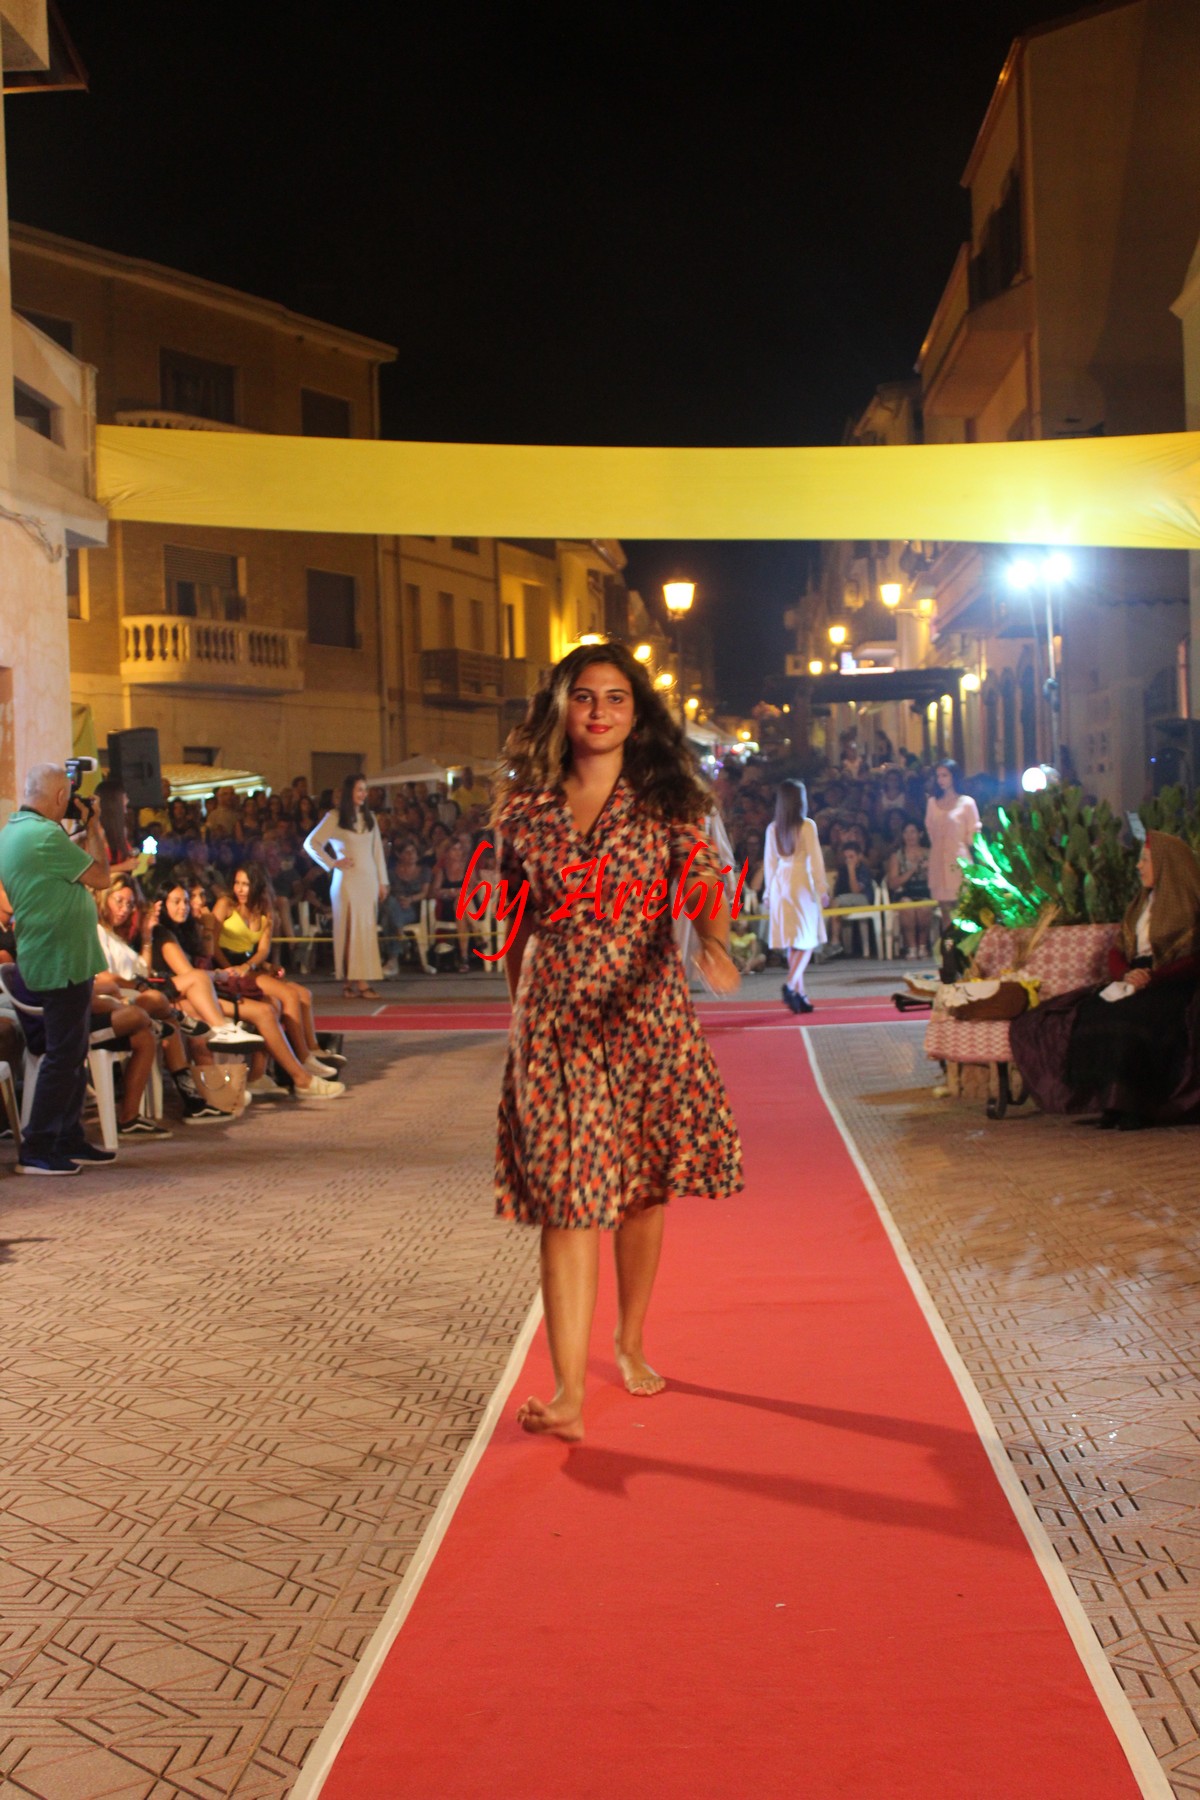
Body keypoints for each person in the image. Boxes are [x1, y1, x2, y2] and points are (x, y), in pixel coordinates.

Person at [494, 643, 743, 1442]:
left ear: (637, 714)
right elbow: (514, 918)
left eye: (615, 699)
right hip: (555, 1021)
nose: (598, 712)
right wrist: (517, 1007)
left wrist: (713, 942)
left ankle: (629, 1339)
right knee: (566, 1201)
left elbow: (702, 879)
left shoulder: (669, 799)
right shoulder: (524, 810)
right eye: (584, 697)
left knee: (639, 1188)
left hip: (645, 1010)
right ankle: (568, 1391)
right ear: (560, 707)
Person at [1011, 831, 1200, 1129]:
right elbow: (1117, 950)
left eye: (1145, 860)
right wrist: (1125, 974)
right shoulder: (1139, 905)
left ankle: (1137, 1106)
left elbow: (1193, 959)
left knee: (1134, 1021)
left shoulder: (1188, 906)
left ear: (1165, 863)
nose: (1138, 866)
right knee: (1091, 1014)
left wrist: (1153, 977)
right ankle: (1110, 1103)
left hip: (1172, 984)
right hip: (1134, 978)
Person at [0, 763, 113, 1174]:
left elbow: (58, 862)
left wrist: (79, 834)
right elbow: (101, 877)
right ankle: (38, 1146)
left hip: (52, 955)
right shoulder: (45, 836)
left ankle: (68, 1137)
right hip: (59, 958)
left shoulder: (15, 831)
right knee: (64, 1054)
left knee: (73, 1050)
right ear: (62, 797)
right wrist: (94, 826)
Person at [152, 882, 344, 1100]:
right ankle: (302, 1078)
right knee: (265, 1011)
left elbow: (207, 957)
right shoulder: (163, 934)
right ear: (162, 904)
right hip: (187, 997)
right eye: (177, 902)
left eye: (187, 901)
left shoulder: (185, 929)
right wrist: (221, 972)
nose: (185, 906)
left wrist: (206, 929)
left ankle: (259, 1075)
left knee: (273, 1003)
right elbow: (192, 974)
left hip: (208, 990)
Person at [211, 865, 344, 1081]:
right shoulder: (225, 904)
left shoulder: (265, 911)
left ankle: (312, 1049)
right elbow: (212, 945)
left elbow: (262, 950)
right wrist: (230, 970)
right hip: (225, 967)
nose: (240, 889)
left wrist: (254, 966)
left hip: (248, 966)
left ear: (257, 886)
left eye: (245, 884)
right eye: (237, 883)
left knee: (303, 995)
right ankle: (304, 1058)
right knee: (288, 995)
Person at [303, 774, 388, 998]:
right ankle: (360, 982)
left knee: (365, 930)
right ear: (350, 791)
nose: (363, 794)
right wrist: (332, 863)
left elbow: (377, 851)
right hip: (347, 880)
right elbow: (311, 843)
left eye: (365, 790)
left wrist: (383, 881)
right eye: (359, 789)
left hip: (368, 881)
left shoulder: (370, 817)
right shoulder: (335, 817)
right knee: (350, 930)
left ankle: (352, 981)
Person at [763, 779, 827, 1014]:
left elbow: (770, 863)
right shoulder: (807, 826)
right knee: (808, 939)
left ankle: (801, 995)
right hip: (800, 882)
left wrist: (768, 892)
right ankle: (791, 985)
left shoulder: (773, 828)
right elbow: (816, 860)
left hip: (780, 883)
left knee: (794, 940)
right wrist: (822, 888)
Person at [925, 759, 981, 928]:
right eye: (938, 776)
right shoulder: (932, 803)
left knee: (963, 912)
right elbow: (931, 832)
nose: (941, 780)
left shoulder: (967, 803)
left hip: (959, 862)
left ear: (953, 776)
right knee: (945, 914)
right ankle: (948, 943)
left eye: (945, 775)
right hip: (938, 862)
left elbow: (974, 836)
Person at [886, 821, 934, 959]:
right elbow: (893, 883)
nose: (909, 836)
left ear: (920, 834)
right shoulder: (897, 856)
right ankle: (911, 947)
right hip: (904, 892)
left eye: (913, 832)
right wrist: (912, 871)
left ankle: (922, 946)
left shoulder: (930, 853)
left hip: (924, 891)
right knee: (907, 906)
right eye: (906, 832)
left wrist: (929, 869)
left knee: (924, 907)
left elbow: (937, 879)